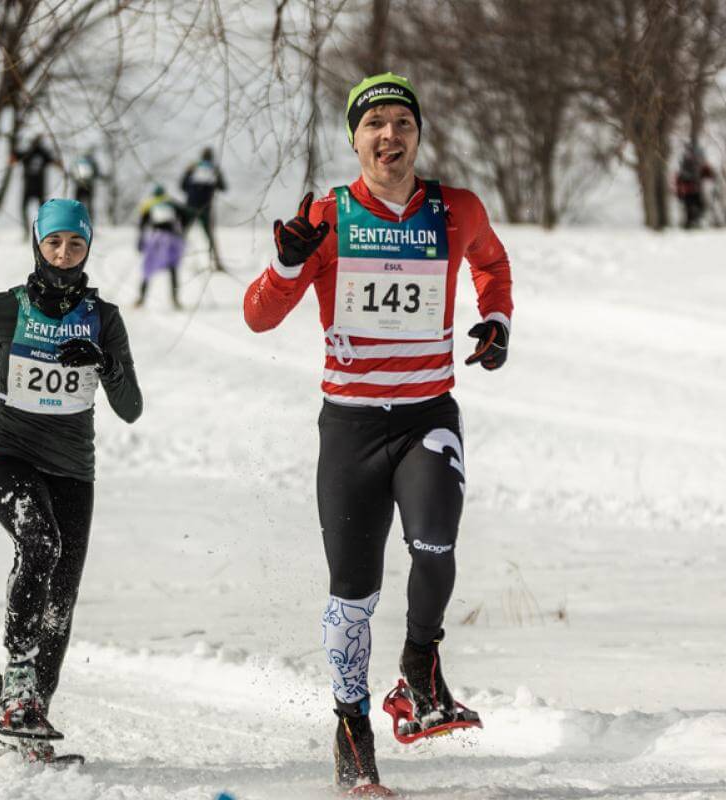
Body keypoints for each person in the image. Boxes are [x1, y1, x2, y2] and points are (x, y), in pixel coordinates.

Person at [242, 73, 513, 795]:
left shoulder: (456, 210)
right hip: (352, 429)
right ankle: (353, 732)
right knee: (352, 592)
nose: (388, 136)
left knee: (435, 545)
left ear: (418, 134)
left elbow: (491, 262)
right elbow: (259, 317)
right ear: (354, 138)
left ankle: (420, 671)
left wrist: (497, 319)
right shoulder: (326, 216)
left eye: (402, 122)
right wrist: (287, 262)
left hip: (427, 415)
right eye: (374, 125)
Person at [0, 199, 142, 753]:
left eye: (75, 244)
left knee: (62, 597)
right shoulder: (4, 309)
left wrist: (102, 361)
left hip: (74, 469)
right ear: (37, 243)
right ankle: (17, 689)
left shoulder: (104, 319)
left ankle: (27, 715)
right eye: (54, 243)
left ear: (87, 249)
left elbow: (131, 407)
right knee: (39, 542)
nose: (64, 253)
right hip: (8, 454)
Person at [135, 185, 188, 310]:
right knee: (173, 269)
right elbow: (185, 215)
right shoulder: (171, 204)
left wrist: (140, 241)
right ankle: (175, 299)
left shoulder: (150, 205)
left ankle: (141, 299)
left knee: (148, 268)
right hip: (171, 239)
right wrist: (182, 230)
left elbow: (142, 224)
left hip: (156, 239)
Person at [179, 146, 227, 270]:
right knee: (210, 236)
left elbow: (182, 186)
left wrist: (193, 190)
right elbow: (223, 187)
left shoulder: (192, 168)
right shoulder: (214, 170)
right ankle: (217, 263)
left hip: (190, 206)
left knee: (182, 234)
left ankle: (172, 260)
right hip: (206, 208)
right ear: (212, 157)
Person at [11, 136, 59, 239]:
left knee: (35, 209)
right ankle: (36, 231)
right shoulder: (42, 153)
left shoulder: (30, 152)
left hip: (31, 187)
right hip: (38, 188)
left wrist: (14, 144)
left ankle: (33, 231)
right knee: (41, 211)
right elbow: (56, 162)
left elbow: (13, 158)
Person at [675, 142, 716, 229]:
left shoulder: (699, 163)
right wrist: (679, 192)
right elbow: (679, 179)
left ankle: (696, 222)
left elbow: (710, 175)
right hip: (688, 191)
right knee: (689, 208)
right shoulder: (684, 164)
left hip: (697, 190)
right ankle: (690, 223)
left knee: (699, 207)